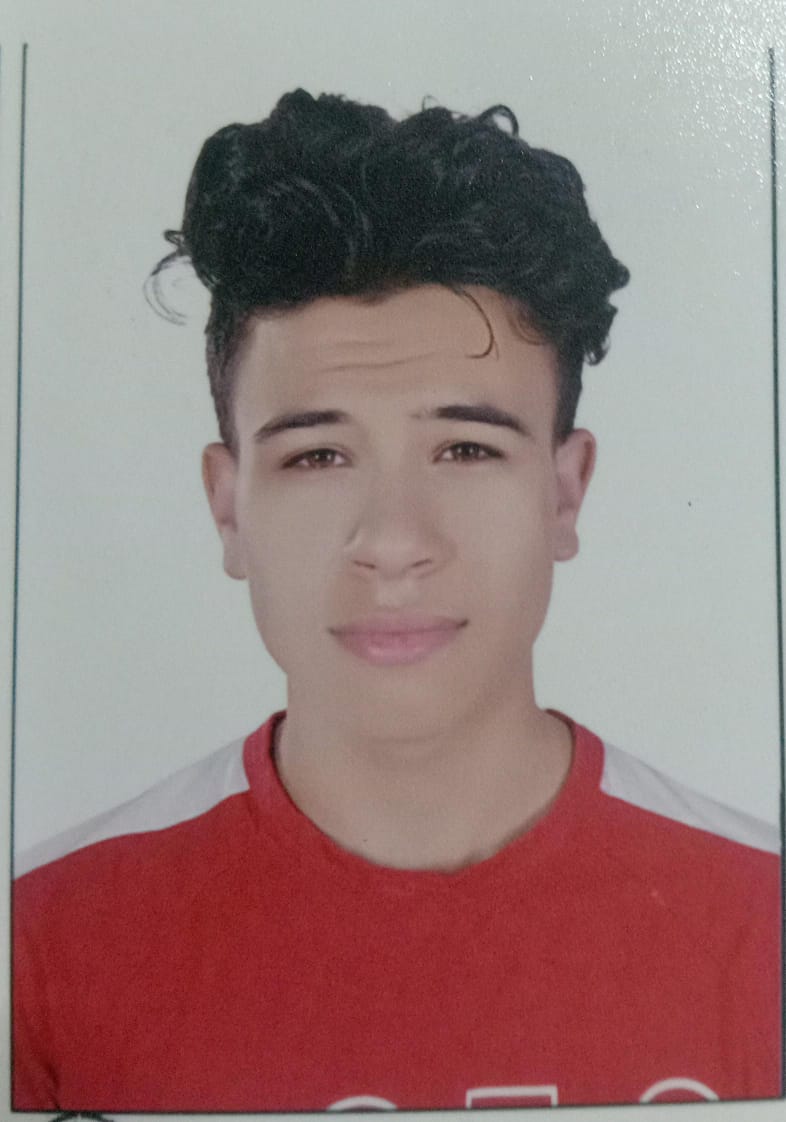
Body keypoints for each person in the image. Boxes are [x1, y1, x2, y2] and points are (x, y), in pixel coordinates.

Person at [13, 89, 781, 1112]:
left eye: (465, 449)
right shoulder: (39, 948)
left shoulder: (764, 920)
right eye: (319, 455)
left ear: (564, 492)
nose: (393, 542)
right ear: (229, 506)